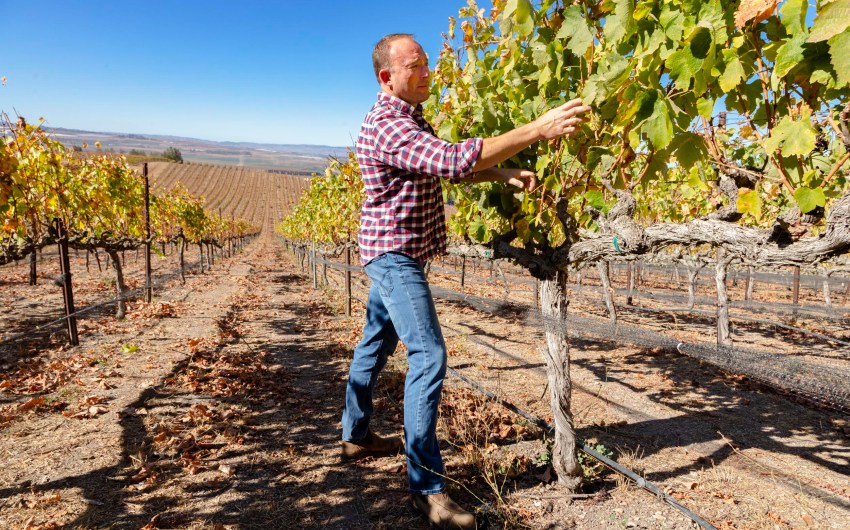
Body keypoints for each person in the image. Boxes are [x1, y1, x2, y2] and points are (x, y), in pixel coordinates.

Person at [341, 33, 590, 530]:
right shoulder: (389, 124)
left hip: (393, 251)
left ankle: (356, 435)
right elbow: (455, 159)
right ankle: (426, 490)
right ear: (387, 77)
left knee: (375, 342)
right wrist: (537, 129)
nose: (427, 73)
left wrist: (501, 174)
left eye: (426, 64)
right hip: (393, 256)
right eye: (415, 66)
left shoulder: (409, 117)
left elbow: (443, 166)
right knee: (429, 356)